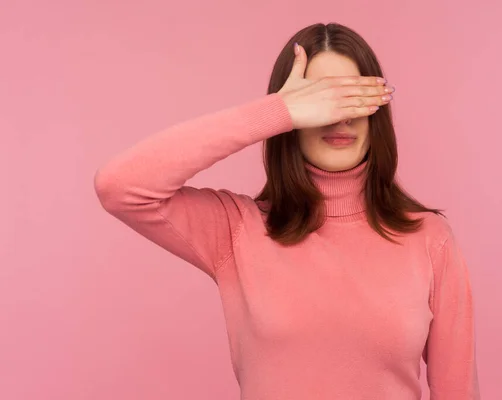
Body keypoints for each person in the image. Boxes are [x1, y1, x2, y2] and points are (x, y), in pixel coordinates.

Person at [94, 22, 480, 400]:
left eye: (352, 97)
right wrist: (275, 113)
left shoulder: (429, 239)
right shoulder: (237, 229)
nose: (339, 116)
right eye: (321, 99)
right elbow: (120, 186)